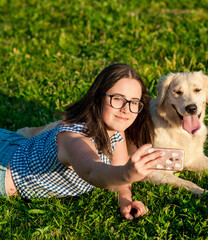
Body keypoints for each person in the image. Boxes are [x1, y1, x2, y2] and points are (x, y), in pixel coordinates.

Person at [0, 63, 164, 220]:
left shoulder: (116, 129)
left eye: (134, 102)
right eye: (118, 98)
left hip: (16, 144)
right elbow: (92, 171)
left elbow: (116, 171)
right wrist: (128, 173)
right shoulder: (74, 139)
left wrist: (125, 199)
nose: (126, 109)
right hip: (4, 169)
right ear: (98, 97)